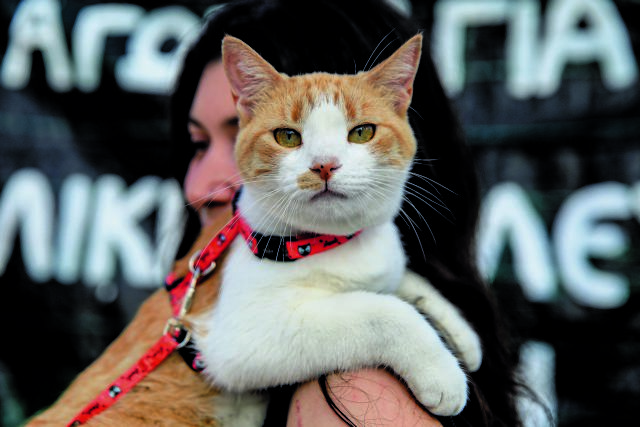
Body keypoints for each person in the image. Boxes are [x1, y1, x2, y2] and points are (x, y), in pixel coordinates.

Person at [168, 0, 525, 426]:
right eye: (288, 136)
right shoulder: (252, 246)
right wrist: (392, 327)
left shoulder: (354, 399)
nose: (324, 165)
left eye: (360, 132)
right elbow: (239, 353)